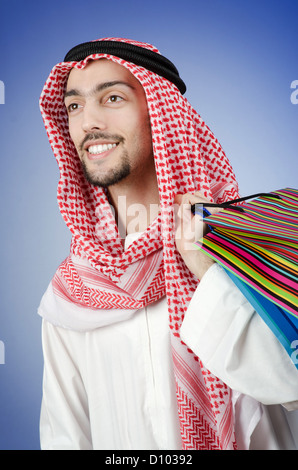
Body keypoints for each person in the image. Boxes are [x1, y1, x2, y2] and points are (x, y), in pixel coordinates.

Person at [38, 37, 298, 450]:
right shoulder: (71, 293)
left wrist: (207, 270)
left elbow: (291, 384)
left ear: (163, 117)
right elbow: (66, 438)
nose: (87, 121)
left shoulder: (256, 240)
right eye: (74, 106)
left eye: (113, 98)